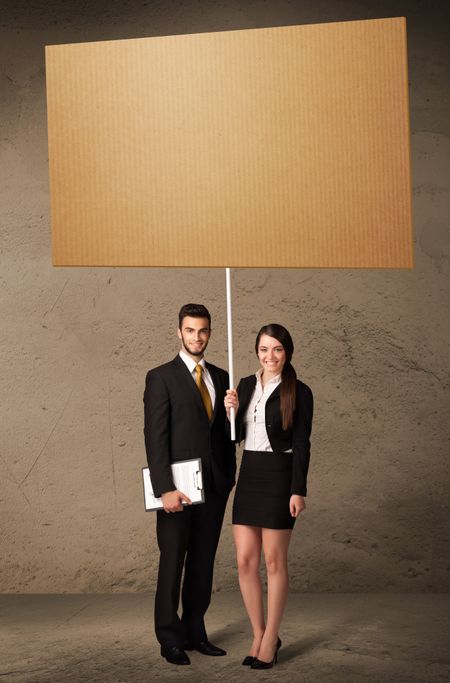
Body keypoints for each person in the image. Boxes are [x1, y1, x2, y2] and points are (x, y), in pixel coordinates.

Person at [144, 303, 236, 666]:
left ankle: (195, 631)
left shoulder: (223, 377)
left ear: (210, 332)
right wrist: (163, 487)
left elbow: (233, 435)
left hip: (213, 485)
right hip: (177, 489)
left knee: (203, 562)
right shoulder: (161, 377)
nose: (197, 337)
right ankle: (169, 637)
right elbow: (155, 436)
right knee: (173, 561)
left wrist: (234, 413)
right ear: (179, 332)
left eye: (203, 331)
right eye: (190, 330)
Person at [224, 323, 313, 670]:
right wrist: (230, 411)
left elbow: (303, 443)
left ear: (287, 352)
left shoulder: (299, 391)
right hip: (250, 473)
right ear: (256, 351)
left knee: (274, 562)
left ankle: (272, 636)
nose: (270, 356)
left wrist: (298, 489)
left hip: (280, 475)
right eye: (264, 349)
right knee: (245, 560)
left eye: (277, 349)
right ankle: (260, 634)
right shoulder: (245, 385)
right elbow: (235, 438)